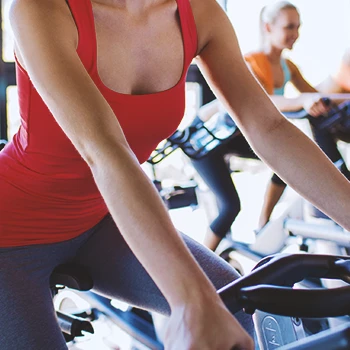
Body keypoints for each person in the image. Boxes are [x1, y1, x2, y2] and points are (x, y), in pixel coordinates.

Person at [2, 1, 350, 349]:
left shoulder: (199, 13)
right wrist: (191, 302)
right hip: (12, 232)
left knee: (233, 307)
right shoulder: (41, 9)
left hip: (100, 219)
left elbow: (269, 128)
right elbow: (104, 150)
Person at [244, 1, 350, 229]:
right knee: (290, 158)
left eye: (298, 27)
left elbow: (316, 95)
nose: (296, 34)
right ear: (269, 27)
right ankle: (262, 223)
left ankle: (263, 225)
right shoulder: (251, 61)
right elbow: (264, 101)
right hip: (246, 133)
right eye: (289, 27)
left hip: (273, 132)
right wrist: (303, 100)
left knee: (292, 162)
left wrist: (342, 98)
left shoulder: (287, 66)